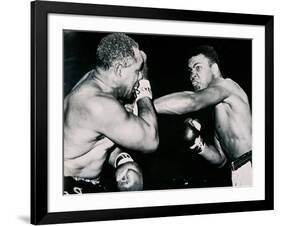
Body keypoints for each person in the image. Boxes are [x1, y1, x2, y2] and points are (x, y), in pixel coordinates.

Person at [63, 33, 159, 194]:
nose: (138, 76)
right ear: (120, 70)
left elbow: (92, 141)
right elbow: (150, 140)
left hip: (78, 181)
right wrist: (144, 87)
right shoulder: (97, 103)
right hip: (70, 186)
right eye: (137, 71)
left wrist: (122, 160)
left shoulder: (93, 82)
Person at [154, 45, 252, 187]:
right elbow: (221, 159)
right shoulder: (217, 108)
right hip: (237, 171)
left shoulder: (227, 86)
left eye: (198, 67)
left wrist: (145, 106)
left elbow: (192, 100)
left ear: (214, 69)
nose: (192, 75)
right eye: (190, 71)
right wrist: (199, 145)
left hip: (252, 164)